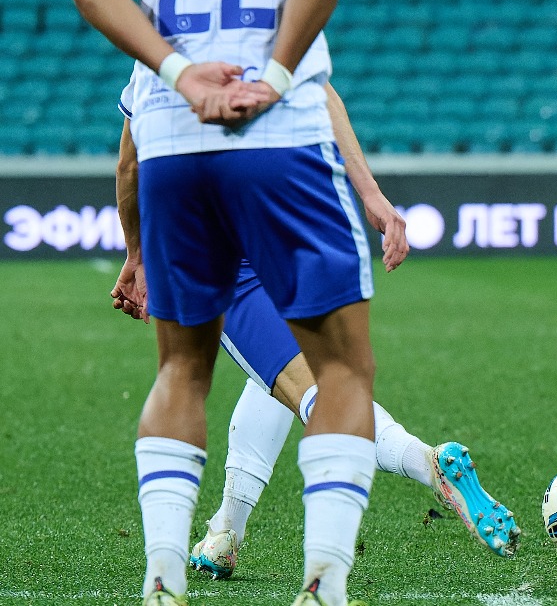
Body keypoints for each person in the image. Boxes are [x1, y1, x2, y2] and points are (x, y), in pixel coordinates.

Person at [73, 0, 382, 603]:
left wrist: (179, 73)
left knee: (181, 367)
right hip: (279, 137)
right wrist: (273, 77)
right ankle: (324, 583)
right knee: (341, 369)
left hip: (173, 142)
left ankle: (162, 576)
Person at [109, 75, 520, 579]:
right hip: (298, 214)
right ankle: (225, 531)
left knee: (304, 391)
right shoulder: (271, 31)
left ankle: (427, 462)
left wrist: (136, 253)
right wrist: (371, 194)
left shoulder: (157, 52)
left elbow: (130, 164)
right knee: (278, 371)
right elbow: (324, 95)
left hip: (214, 240)